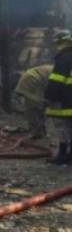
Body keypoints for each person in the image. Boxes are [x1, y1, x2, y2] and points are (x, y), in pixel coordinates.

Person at [45, 31, 72, 164]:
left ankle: (63, 155)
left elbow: (57, 80)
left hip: (67, 99)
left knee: (62, 126)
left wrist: (50, 96)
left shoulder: (63, 58)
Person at [14, 64, 52, 139]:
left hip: (36, 79)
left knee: (40, 106)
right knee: (36, 107)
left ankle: (39, 131)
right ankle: (36, 132)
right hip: (33, 79)